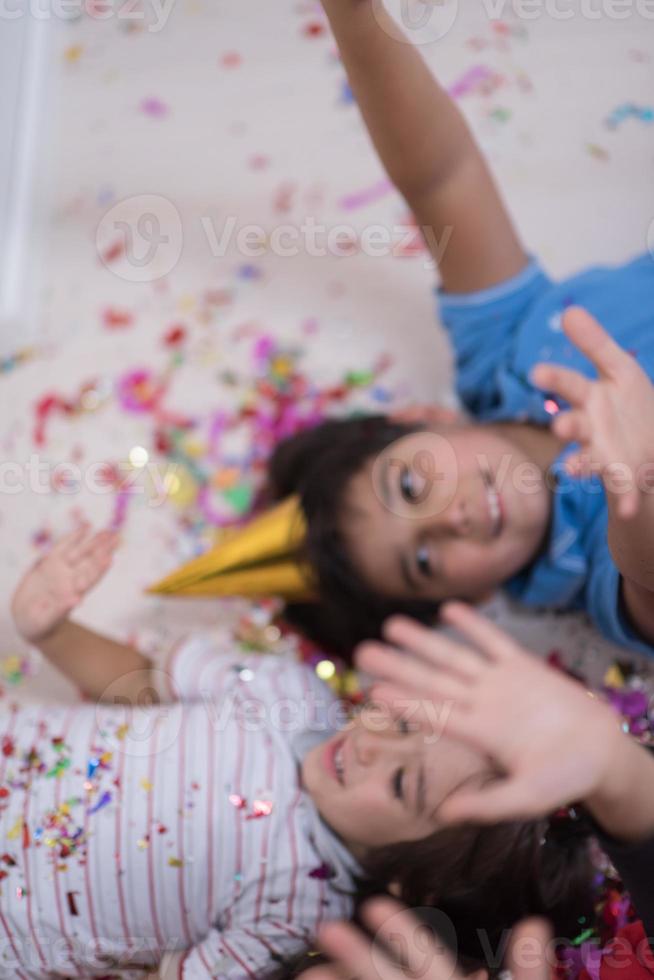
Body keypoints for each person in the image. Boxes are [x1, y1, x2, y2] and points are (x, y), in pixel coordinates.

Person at [5, 530, 594, 978]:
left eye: (401, 784)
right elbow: (143, 685)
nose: (369, 746)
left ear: (412, 886)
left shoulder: (300, 907)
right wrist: (52, 630)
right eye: (403, 724)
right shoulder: (289, 694)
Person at [260, 0, 654, 659]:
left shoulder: (502, 350)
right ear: (467, 605)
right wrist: (636, 478)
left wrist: (352, 12)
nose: (451, 520)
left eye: (411, 484)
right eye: (423, 561)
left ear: (423, 417)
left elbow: (442, 177)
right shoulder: (585, 569)